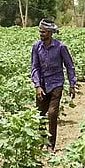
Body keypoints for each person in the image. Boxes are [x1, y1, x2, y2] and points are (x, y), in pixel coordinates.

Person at [30, 18, 76, 151]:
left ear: (50, 33)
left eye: (44, 32)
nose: (41, 34)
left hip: (56, 83)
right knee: (39, 114)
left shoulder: (61, 47)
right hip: (42, 85)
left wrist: (72, 84)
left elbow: (69, 66)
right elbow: (34, 67)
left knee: (52, 113)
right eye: (40, 31)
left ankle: (51, 144)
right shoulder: (36, 47)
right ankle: (41, 140)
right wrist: (37, 85)